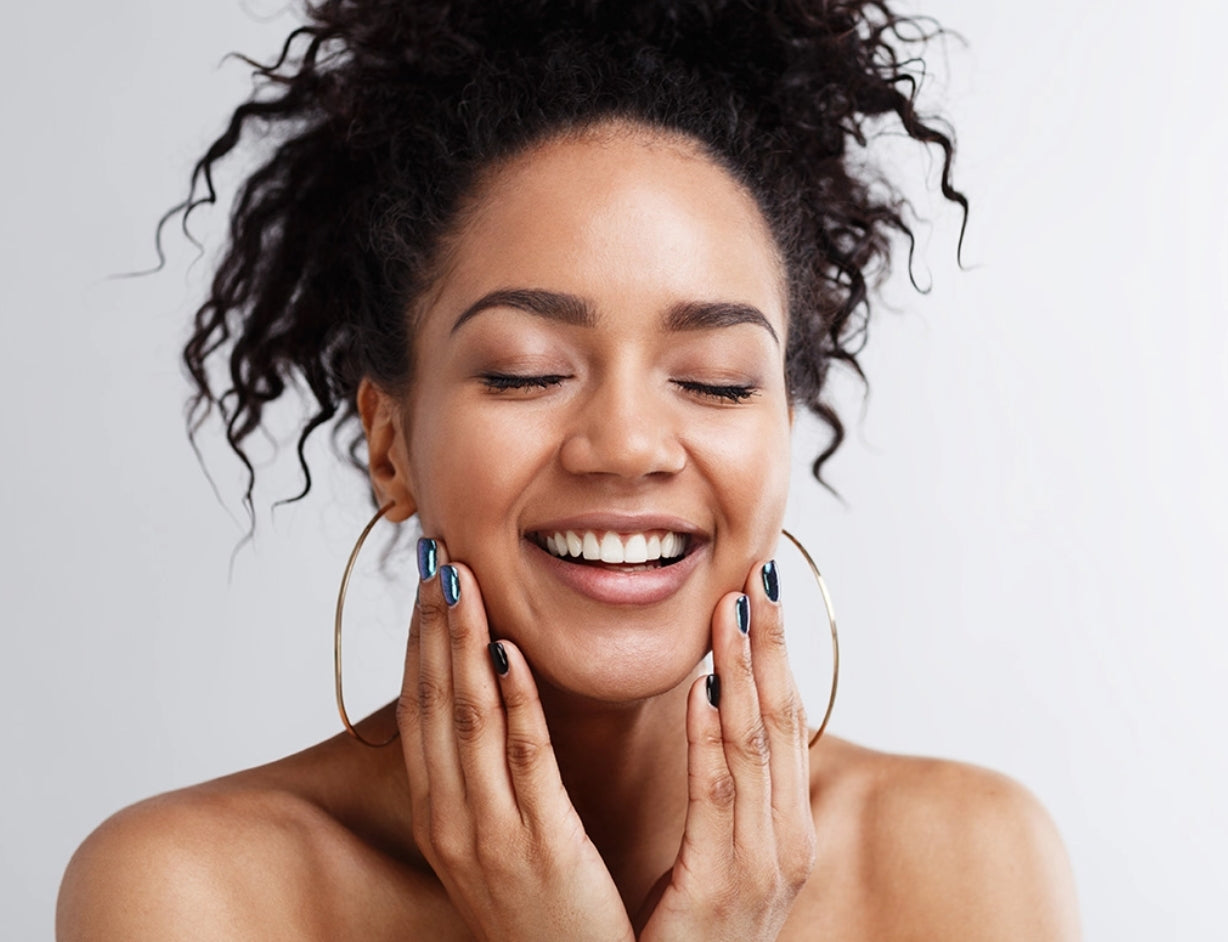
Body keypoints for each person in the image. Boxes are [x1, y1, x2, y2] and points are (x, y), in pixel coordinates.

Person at [58, 1, 1080, 938]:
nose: (628, 445)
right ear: (390, 445)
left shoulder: (964, 866)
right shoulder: (190, 893)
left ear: (783, 426)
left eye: (717, 381)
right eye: (526, 372)